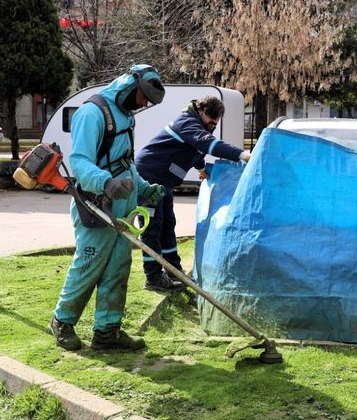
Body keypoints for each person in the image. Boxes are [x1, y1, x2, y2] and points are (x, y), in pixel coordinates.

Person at [49, 65, 166, 351]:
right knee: (89, 263)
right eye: (142, 97)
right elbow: (80, 161)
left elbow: (126, 162)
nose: (143, 104)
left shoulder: (126, 116)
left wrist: (143, 188)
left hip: (122, 206)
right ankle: (61, 321)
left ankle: (107, 330)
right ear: (129, 85)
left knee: (118, 267)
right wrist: (105, 183)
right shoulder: (92, 113)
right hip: (95, 203)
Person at [134, 95, 251, 292]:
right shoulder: (187, 122)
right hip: (149, 177)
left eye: (215, 124)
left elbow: (195, 149)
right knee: (152, 227)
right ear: (201, 111)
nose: (212, 127)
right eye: (211, 122)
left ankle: (173, 270)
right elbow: (207, 144)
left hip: (164, 182)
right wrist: (242, 154)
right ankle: (152, 276)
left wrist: (201, 167)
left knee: (168, 224)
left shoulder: (198, 124)